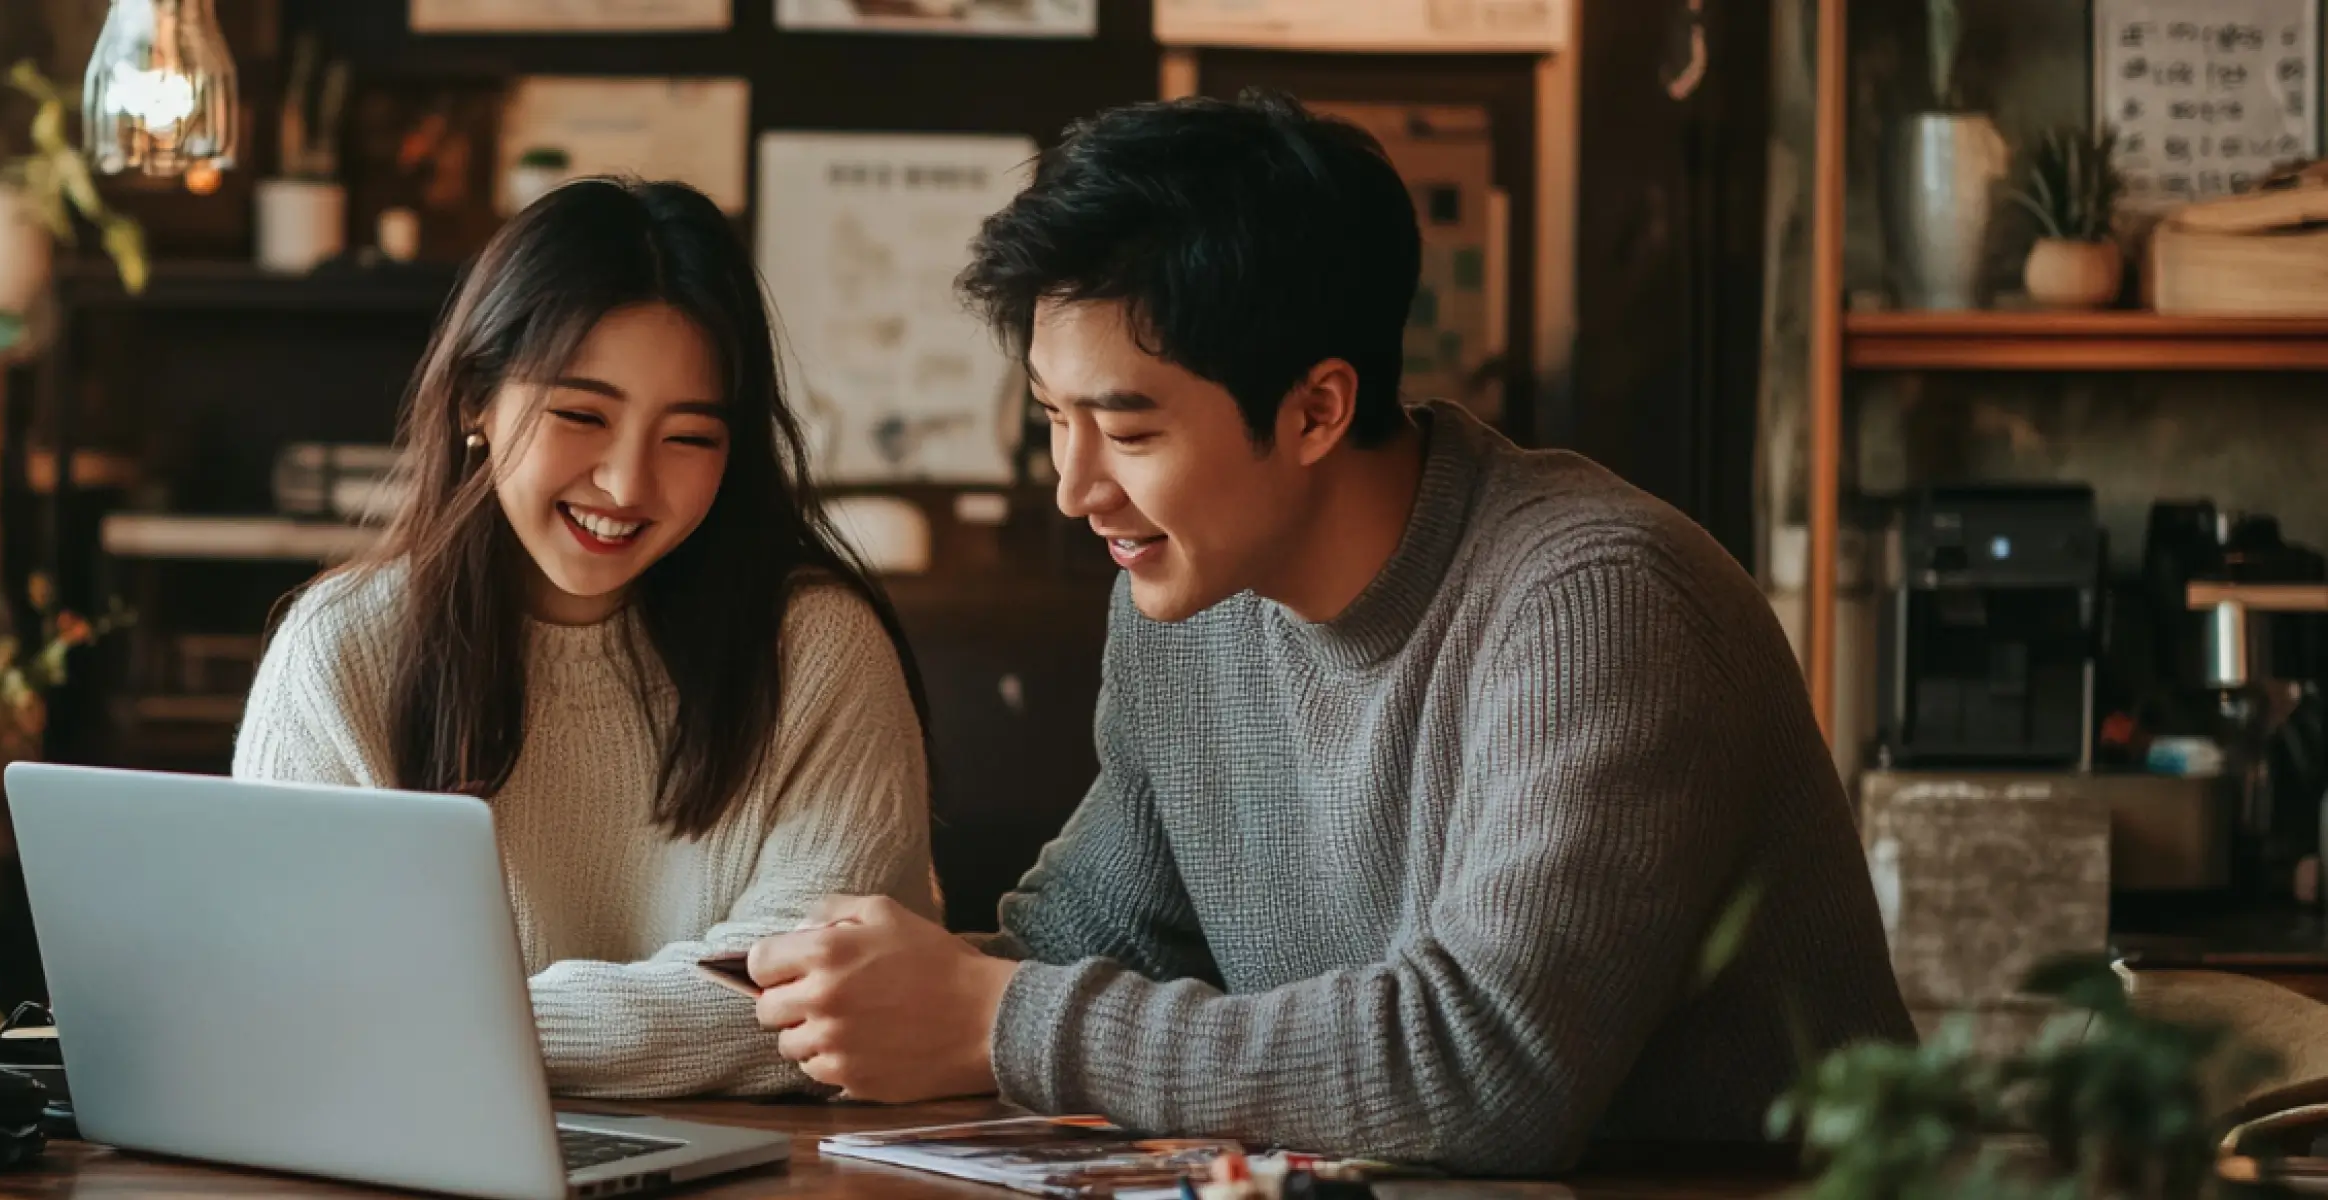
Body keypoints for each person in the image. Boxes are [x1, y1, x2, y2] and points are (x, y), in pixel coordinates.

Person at [743, 92, 1913, 1171]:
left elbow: (1489, 1067)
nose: (1073, 488)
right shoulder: (1186, 605)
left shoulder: (1599, 602)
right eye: (1054, 418)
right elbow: (1078, 951)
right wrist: (868, 996)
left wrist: (992, 1019)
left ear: (1316, 409)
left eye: (1129, 432)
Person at [233, 177, 936, 1098]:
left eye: (689, 437)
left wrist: (464, 1027)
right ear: (474, 400)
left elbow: (815, 1008)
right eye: (582, 415)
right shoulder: (341, 653)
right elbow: (293, 999)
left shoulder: (816, 652)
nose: (625, 483)